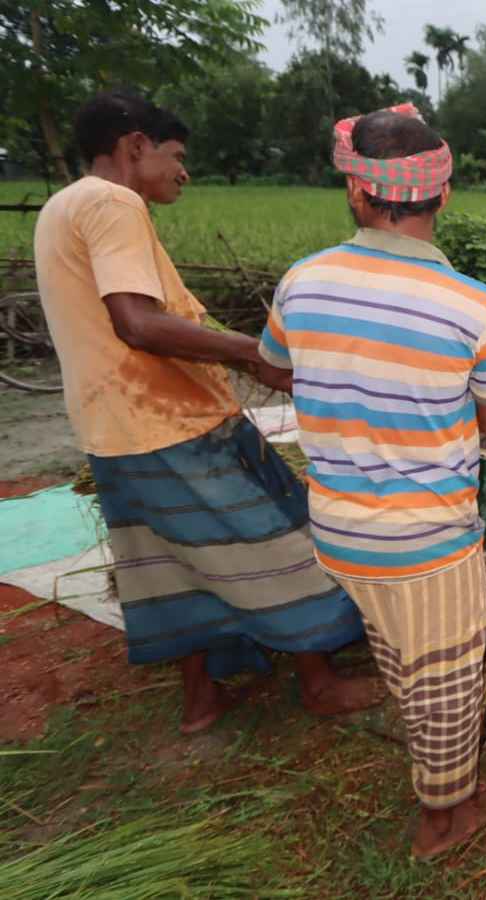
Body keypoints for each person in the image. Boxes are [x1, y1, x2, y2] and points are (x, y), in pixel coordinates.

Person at [31, 92, 381, 735]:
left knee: (171, 565)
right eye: (176, 156)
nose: (183, 172)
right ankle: (319, 682)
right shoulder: (113, 203)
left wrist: (243, 356)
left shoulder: (62, 205)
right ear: (136, 145)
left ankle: (200, 700)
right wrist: (253, 353)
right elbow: (137, 322)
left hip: (112, 432)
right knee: (275, 538)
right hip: (170, 422)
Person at [257, 104, 486, 860]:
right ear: (444, 194)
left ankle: (417, 696)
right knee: (447, 684)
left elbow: (278, 368)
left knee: (425, 625)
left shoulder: (302, 281)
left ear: (357, 192)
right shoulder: (476, 307)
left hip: (339, 532)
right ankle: (445, 815)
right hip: (424, 539)